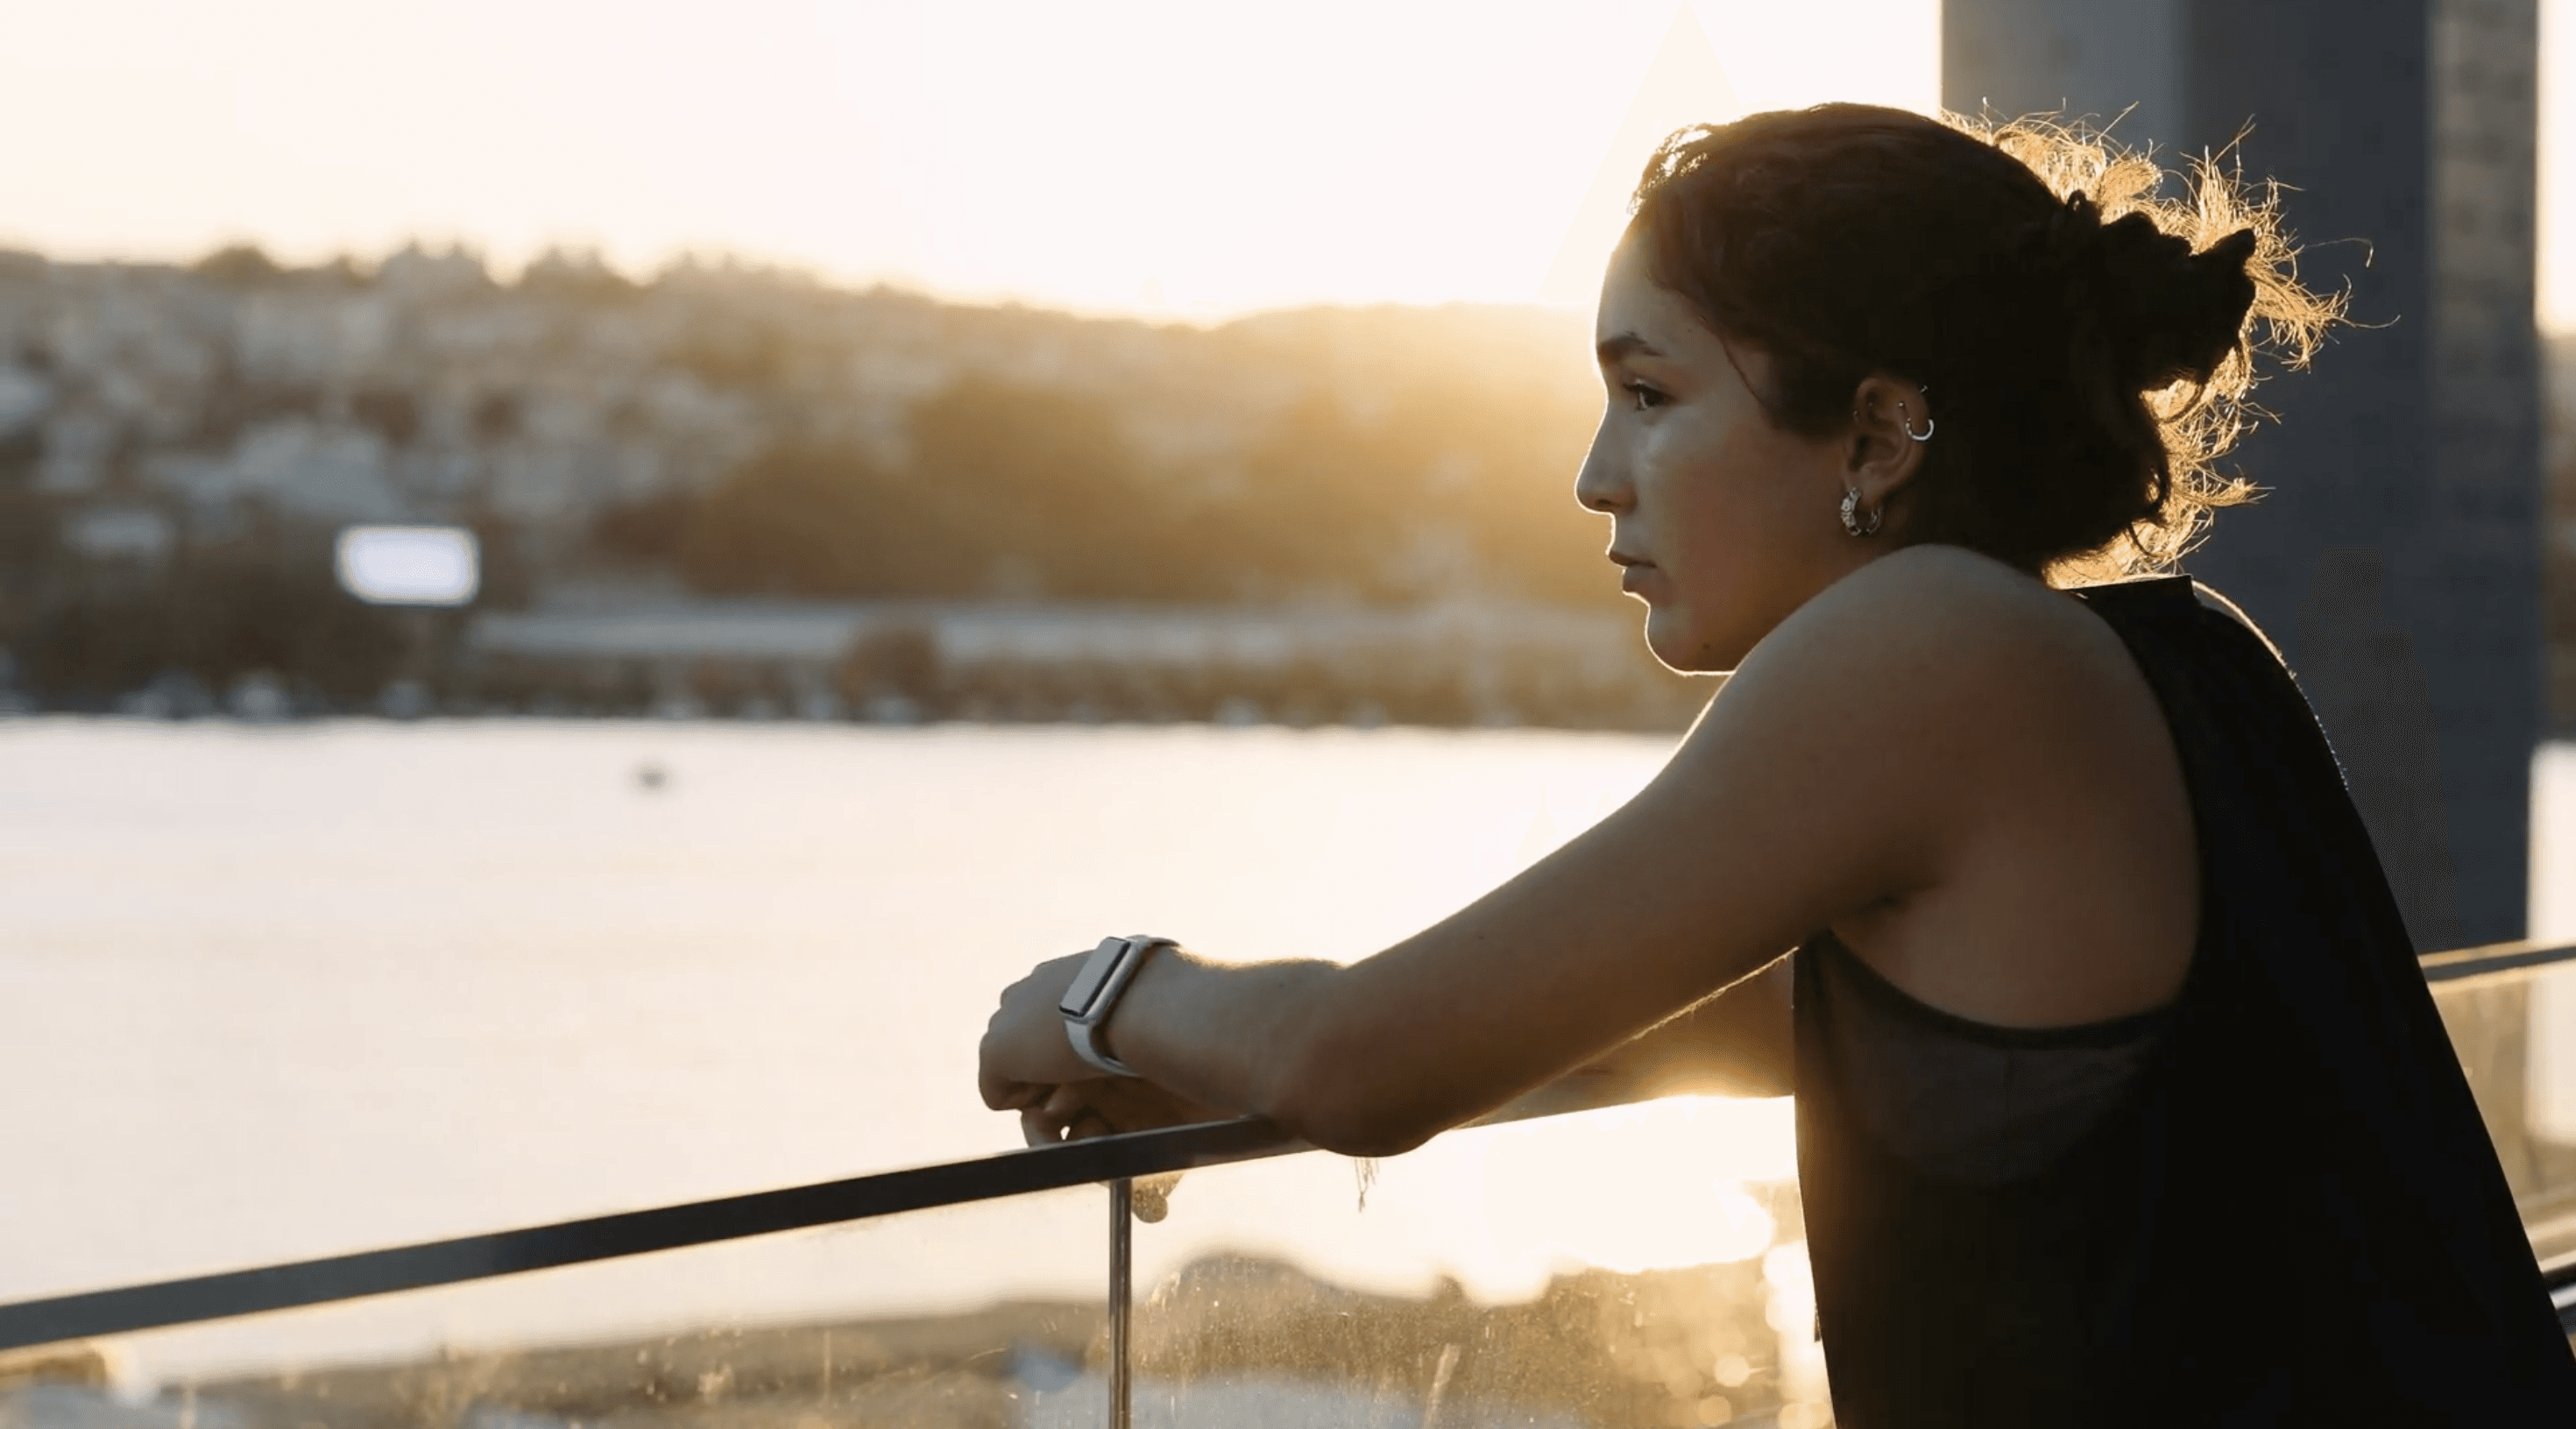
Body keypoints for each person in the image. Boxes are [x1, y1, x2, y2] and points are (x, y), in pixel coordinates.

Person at [976, 105, 2576, 1424]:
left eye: (1649, 394)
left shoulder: (1934, 647)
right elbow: (1637, 1026)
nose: (1595, 477)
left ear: (1877, 435)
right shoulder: (2162, 658)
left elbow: (1361, 1058)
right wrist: (1218, 1062)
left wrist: (1104, 991)